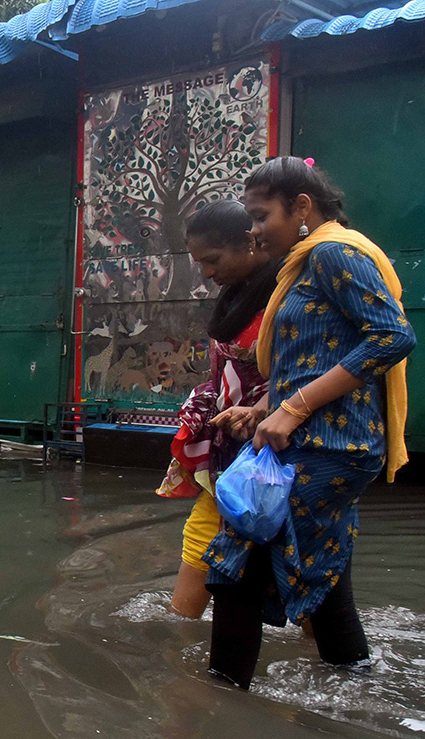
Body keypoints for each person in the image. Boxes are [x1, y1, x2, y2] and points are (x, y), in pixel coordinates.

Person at [203, 156, 416, 690]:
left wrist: (293, 409)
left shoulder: (332, 254)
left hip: (328, 442)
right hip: (318, 437)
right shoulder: (307, 261)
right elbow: (318, 353)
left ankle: (214, 710)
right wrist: (261, 408)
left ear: (302, 207)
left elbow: (391, 337)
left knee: (237, 568)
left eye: (260, 216)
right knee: (326, 573)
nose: (253, 232)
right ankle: (358, 692)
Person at [157, 200, 280, 617]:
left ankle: (328, 659)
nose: (207, 273)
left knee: (297, 562)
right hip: (231, 450)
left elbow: (309, 371)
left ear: (249, 243)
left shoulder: (288, 295)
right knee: (203, 535)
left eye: (213, 259)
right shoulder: (236, 298)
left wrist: (264, 408)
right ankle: (177, 640)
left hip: (278, 451)